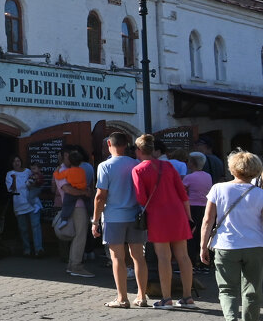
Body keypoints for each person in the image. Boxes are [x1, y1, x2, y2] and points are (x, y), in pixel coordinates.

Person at [200, 150, 263, 321]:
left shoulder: (218, 188)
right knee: (252, 290)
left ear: (232, 168)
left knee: (227, 289)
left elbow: (208, 220)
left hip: (225, 246)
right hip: (254, 245)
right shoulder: (260, 194)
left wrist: (203, 246)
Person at [133, 134, 196, 308]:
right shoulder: (168, 166)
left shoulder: (138, 169)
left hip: (157, 216)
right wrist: (188, 217)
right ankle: (187, 296)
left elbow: (141, 198)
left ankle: (167, 298)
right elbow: (183, 195)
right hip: (178, 214)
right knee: (183, 256)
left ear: (139, 150)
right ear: (152, 149)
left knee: (164, 258)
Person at [91, 132, 150, 307]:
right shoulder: (136, 164)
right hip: (135, 215)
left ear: (109, 143)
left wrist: (95, 220)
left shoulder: (105, 166)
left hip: (114, 216)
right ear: (127, 144)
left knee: (117, 257)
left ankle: (122, 298)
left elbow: (100, 196)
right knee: (138, 256)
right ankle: (142, 296)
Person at [56, 148, 94, 277]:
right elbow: (68, 189)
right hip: (77, 207)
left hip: (76, 206)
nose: (69, 158)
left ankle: (72, 265)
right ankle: (76, 266)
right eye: (67, 156)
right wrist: (84, 192)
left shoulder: (68, 170)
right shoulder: (63, 170)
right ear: (63, 157)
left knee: (78, 236)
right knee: (80, 236)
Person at [5, 156, 42, 257]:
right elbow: (11, 190)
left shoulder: (28, 171)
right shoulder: (9, 174)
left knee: (35, 226)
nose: (17, 163)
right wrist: (14, 179)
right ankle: (27, 250)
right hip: (19, 204)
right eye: (14, 161)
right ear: (11, 163)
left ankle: (38, 249)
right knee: (23, 229)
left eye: (18, 161)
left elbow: (36, 182)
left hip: (32, 203)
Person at [184, 152, 214, 272]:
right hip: (206, 207)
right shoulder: (208, 176)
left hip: (192, 208)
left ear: (192, 163)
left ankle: (192, 263)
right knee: (204, 234)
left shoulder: (189, 177)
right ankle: (205, 263)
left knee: (191, 236)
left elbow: (181, 191)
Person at [53, 151, 88, 229]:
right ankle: (91, 215)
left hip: (72, 191)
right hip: (82, 190)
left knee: (66, 204)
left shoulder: (67, 171)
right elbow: (85, 181)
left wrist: (56, 171)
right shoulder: (82, 170)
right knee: (88, 203)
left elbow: (58, 176)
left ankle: (64, 220)